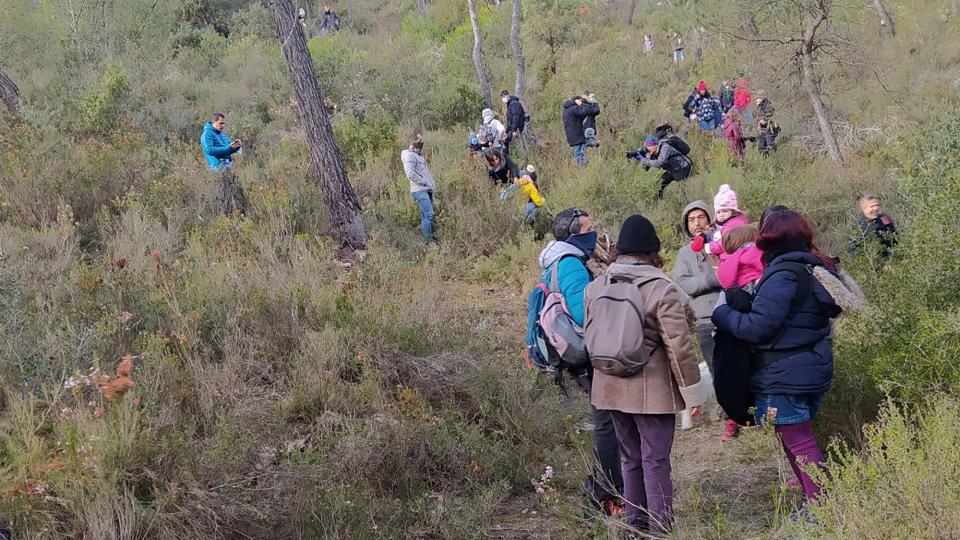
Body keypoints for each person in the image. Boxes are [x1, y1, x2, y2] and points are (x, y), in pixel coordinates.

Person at [712, 210, 842, 512]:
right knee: (793, 439)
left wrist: (723, 313)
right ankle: (812, 506)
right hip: (808, 366)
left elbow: (758, 327)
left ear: (769, 238)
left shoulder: (784, 273)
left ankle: (821, 510)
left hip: (785, 372)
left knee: (800, 442)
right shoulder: (811, 268)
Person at [588, 214, 710, 533]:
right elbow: (679, 347)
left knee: (630, 460)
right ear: (652, 251)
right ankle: (659, 529)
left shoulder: (596, 286)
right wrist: (693, 395)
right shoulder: (661, 289)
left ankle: (635, 527)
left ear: (620, 249)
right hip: (651, 392)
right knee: (655, 460)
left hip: (609, 387)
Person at [538, 208, 624, 515]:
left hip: (577, 354)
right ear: (574, 234)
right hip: (588, 355)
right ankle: (604, 495)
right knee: (607, 425)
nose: (594, 232)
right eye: (589, 228)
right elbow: (583, 311)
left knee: (607, 423)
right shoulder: (571, 264)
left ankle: (604, 491)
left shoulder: (555, 260)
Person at [690, 184, 750, 262]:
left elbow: (725, 242)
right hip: (726, 259)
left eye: (725, 211)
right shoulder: (720, 224)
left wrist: (707, 247)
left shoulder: (735, 224)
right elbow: (713, 231)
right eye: (718, 212)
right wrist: (703, 236)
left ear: (733, 211)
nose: (721, 215)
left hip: (735, 258)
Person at [627, 136, 693, 201]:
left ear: (655, 145)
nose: (647, 149)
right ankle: (657, 202)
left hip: (684, 167)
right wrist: (638, 156)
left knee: (679, 184)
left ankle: (683, 200)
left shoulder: (665, 148)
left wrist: (643, 159)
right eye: (646, 147)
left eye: (649, 147)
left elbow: (659, 163)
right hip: (674, 169)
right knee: (659, 184)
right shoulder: (653, 151)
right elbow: (646, 167)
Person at [401, 133, 436, 244]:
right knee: (429, 215)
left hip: (426, 189)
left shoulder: (417, 155)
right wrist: (424, 182)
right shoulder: (409, 155)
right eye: (420, 140)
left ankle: (428, 238)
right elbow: (410, 174)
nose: (421, 142)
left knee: (425, 216)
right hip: (419, 189)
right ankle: (429, 243)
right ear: (413, 141)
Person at [846, 194, 898, 261]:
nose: (876, 208)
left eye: (877, 205)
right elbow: (852, 249)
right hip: (869, 262)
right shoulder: (856, 224)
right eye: (872, 206)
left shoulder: (884, 218)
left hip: (889, 260)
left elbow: (894, 237)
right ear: (864, 208)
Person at [716, 225, 764, 290]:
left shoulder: (729, 260)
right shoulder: (751, 250)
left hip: (742, 289)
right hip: (757, 283)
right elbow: (764, 263)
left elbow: (725, 280)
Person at [562, 96, 599, 166]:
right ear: (577, 101)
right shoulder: (573, 109)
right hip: (576, 136)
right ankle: (583, 168)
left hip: (575, 136)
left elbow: (586, 113)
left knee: (580, 152)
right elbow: (587, 110)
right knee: (578, 155)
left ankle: (585, 166)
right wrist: (591, 102)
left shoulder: (568, 109)